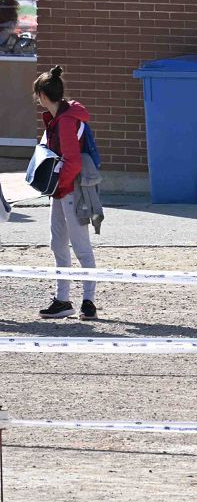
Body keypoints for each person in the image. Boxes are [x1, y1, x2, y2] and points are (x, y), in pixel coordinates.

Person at [34, 65, 99, 320]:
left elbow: (72, 161)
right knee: (58, 244)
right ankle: (63, 300)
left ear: (42, 95)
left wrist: (58, 187)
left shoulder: (65, 121)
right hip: (63, 190)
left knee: (80, 246)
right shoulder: (60, 118)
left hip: (70, 190)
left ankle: (88, 301)